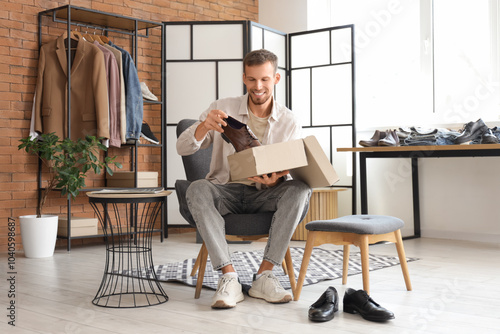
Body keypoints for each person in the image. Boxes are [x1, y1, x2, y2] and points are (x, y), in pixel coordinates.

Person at [176, 49, 311, 309]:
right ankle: (229, 278)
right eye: (251, 79)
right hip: (224, 191)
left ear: (276, 78)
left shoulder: (289, 121)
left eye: (264, 79)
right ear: (244, 78)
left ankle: (265, 275)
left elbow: (293, 165)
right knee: (197, 189)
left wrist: (276, 179)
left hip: (265, 194)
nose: (257, 86)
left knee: (300, 189)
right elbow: (183, 148)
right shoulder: (222, 108)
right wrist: (204, 125)